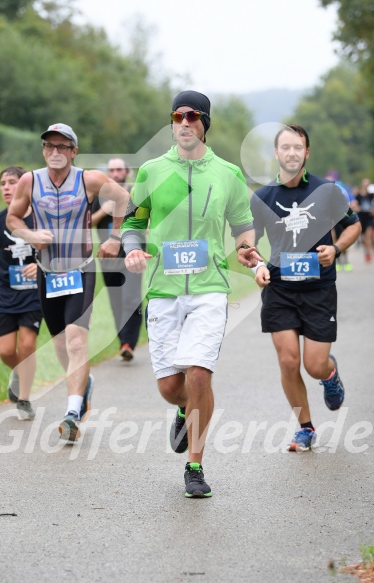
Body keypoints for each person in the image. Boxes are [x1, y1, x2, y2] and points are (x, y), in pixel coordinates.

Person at [121, 91, 259, 497]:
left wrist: (247, 248)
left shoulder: (228, 173)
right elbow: (134, 220)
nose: (183, 122)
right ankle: (185, 408)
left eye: (192, 116)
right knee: (170, 386)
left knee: (199, 372)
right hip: (163, 288)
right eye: (177, 116)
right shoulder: (150, 170)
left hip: (208, 288)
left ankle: (194, 466)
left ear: (204, 124)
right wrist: (131, 246)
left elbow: (242, 226)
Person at [6, 123, 129, 441]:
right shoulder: (29, 181)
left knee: (76, 341)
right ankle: (82, 384)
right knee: (60, 344)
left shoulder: (89, 179)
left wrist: (115, 237)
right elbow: (12, 218)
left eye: (63, 147)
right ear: (43, 150)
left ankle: (73, 412)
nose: (55, 152)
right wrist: (31, 235)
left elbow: (123, 198)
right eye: (49, 146)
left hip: (81, 269)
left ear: (74, 151)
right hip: (47, 273)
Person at [246, 124, 361, 452]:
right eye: (286, 147)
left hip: (318, 289)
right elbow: (247, 245)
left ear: (306, 153)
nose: (292, 152)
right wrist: (256, 266)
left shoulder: (328, 191)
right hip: (280, 290)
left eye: (298, 147)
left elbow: (353, 226)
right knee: (287, 361)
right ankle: (305, 428)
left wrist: (335, 249)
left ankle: (329, 372)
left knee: (313, 365)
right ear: (277, 153)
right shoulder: (264, 197)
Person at [0, 166, 42, 420]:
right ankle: (20, 372)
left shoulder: (39, 219)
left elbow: (55, 247)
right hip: (4, 292)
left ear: (24, 187)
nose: (6, 187)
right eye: (3, 183)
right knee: (6, 351)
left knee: (28, 345)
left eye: (12, 182)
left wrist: (39, 264)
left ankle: (24, 399)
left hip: (33, 293)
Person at [91, 158, 142, 362]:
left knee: (131, 297)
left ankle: (127, 343)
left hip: (133, 253)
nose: (115, 173)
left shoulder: (136, 193)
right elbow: (90, 223)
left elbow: (145, 221)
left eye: (119, 169)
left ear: (127, 171)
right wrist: (107, 208)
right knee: (115, 300)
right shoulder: (98, 197)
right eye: (111, 169)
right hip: (108, 256)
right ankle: (123, 340)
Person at [352, 178, 374, 263]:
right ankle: (366, 253)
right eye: (365, 184)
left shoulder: (371, 195)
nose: (366, 185)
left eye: (367, 184)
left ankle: (369, 253)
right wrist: (356, 208)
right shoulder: (358, 195)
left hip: (369, 217)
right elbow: (354, 205)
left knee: (368, 235)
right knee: (364, 238)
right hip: (361, 217)